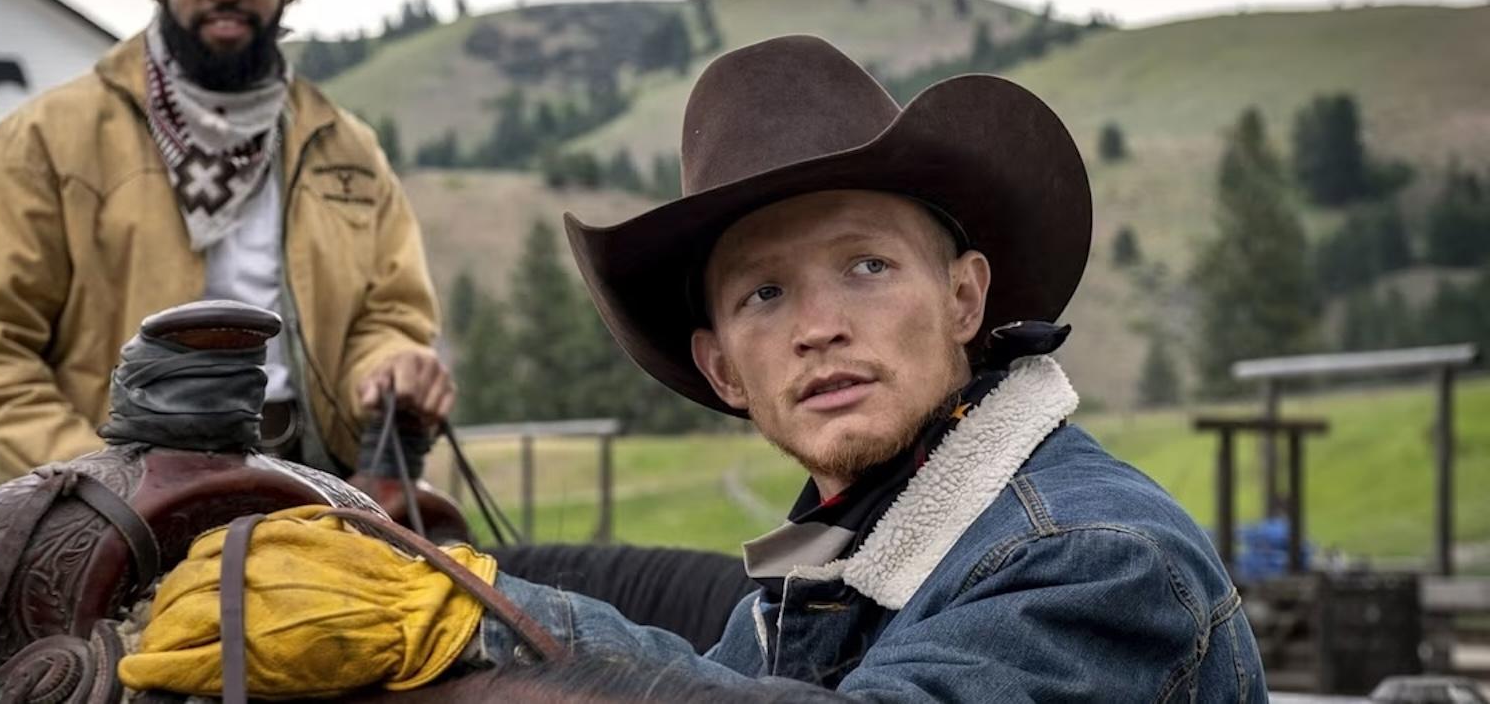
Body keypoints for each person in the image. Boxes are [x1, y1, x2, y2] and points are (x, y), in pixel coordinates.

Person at [123, 36, 1269, 701]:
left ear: (965, 296)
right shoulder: (821, 545)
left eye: (865, 267)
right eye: (765, 294)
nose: (817, 326)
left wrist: (472, 614)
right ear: (724, 369)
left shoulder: (1093, 560)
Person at [0, 0, 452, 486]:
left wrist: (390, 363)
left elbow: (389, 314)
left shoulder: (348, 151)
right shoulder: (44, 141)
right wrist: (100, 484)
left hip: (318, 486)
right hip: (103, 504)